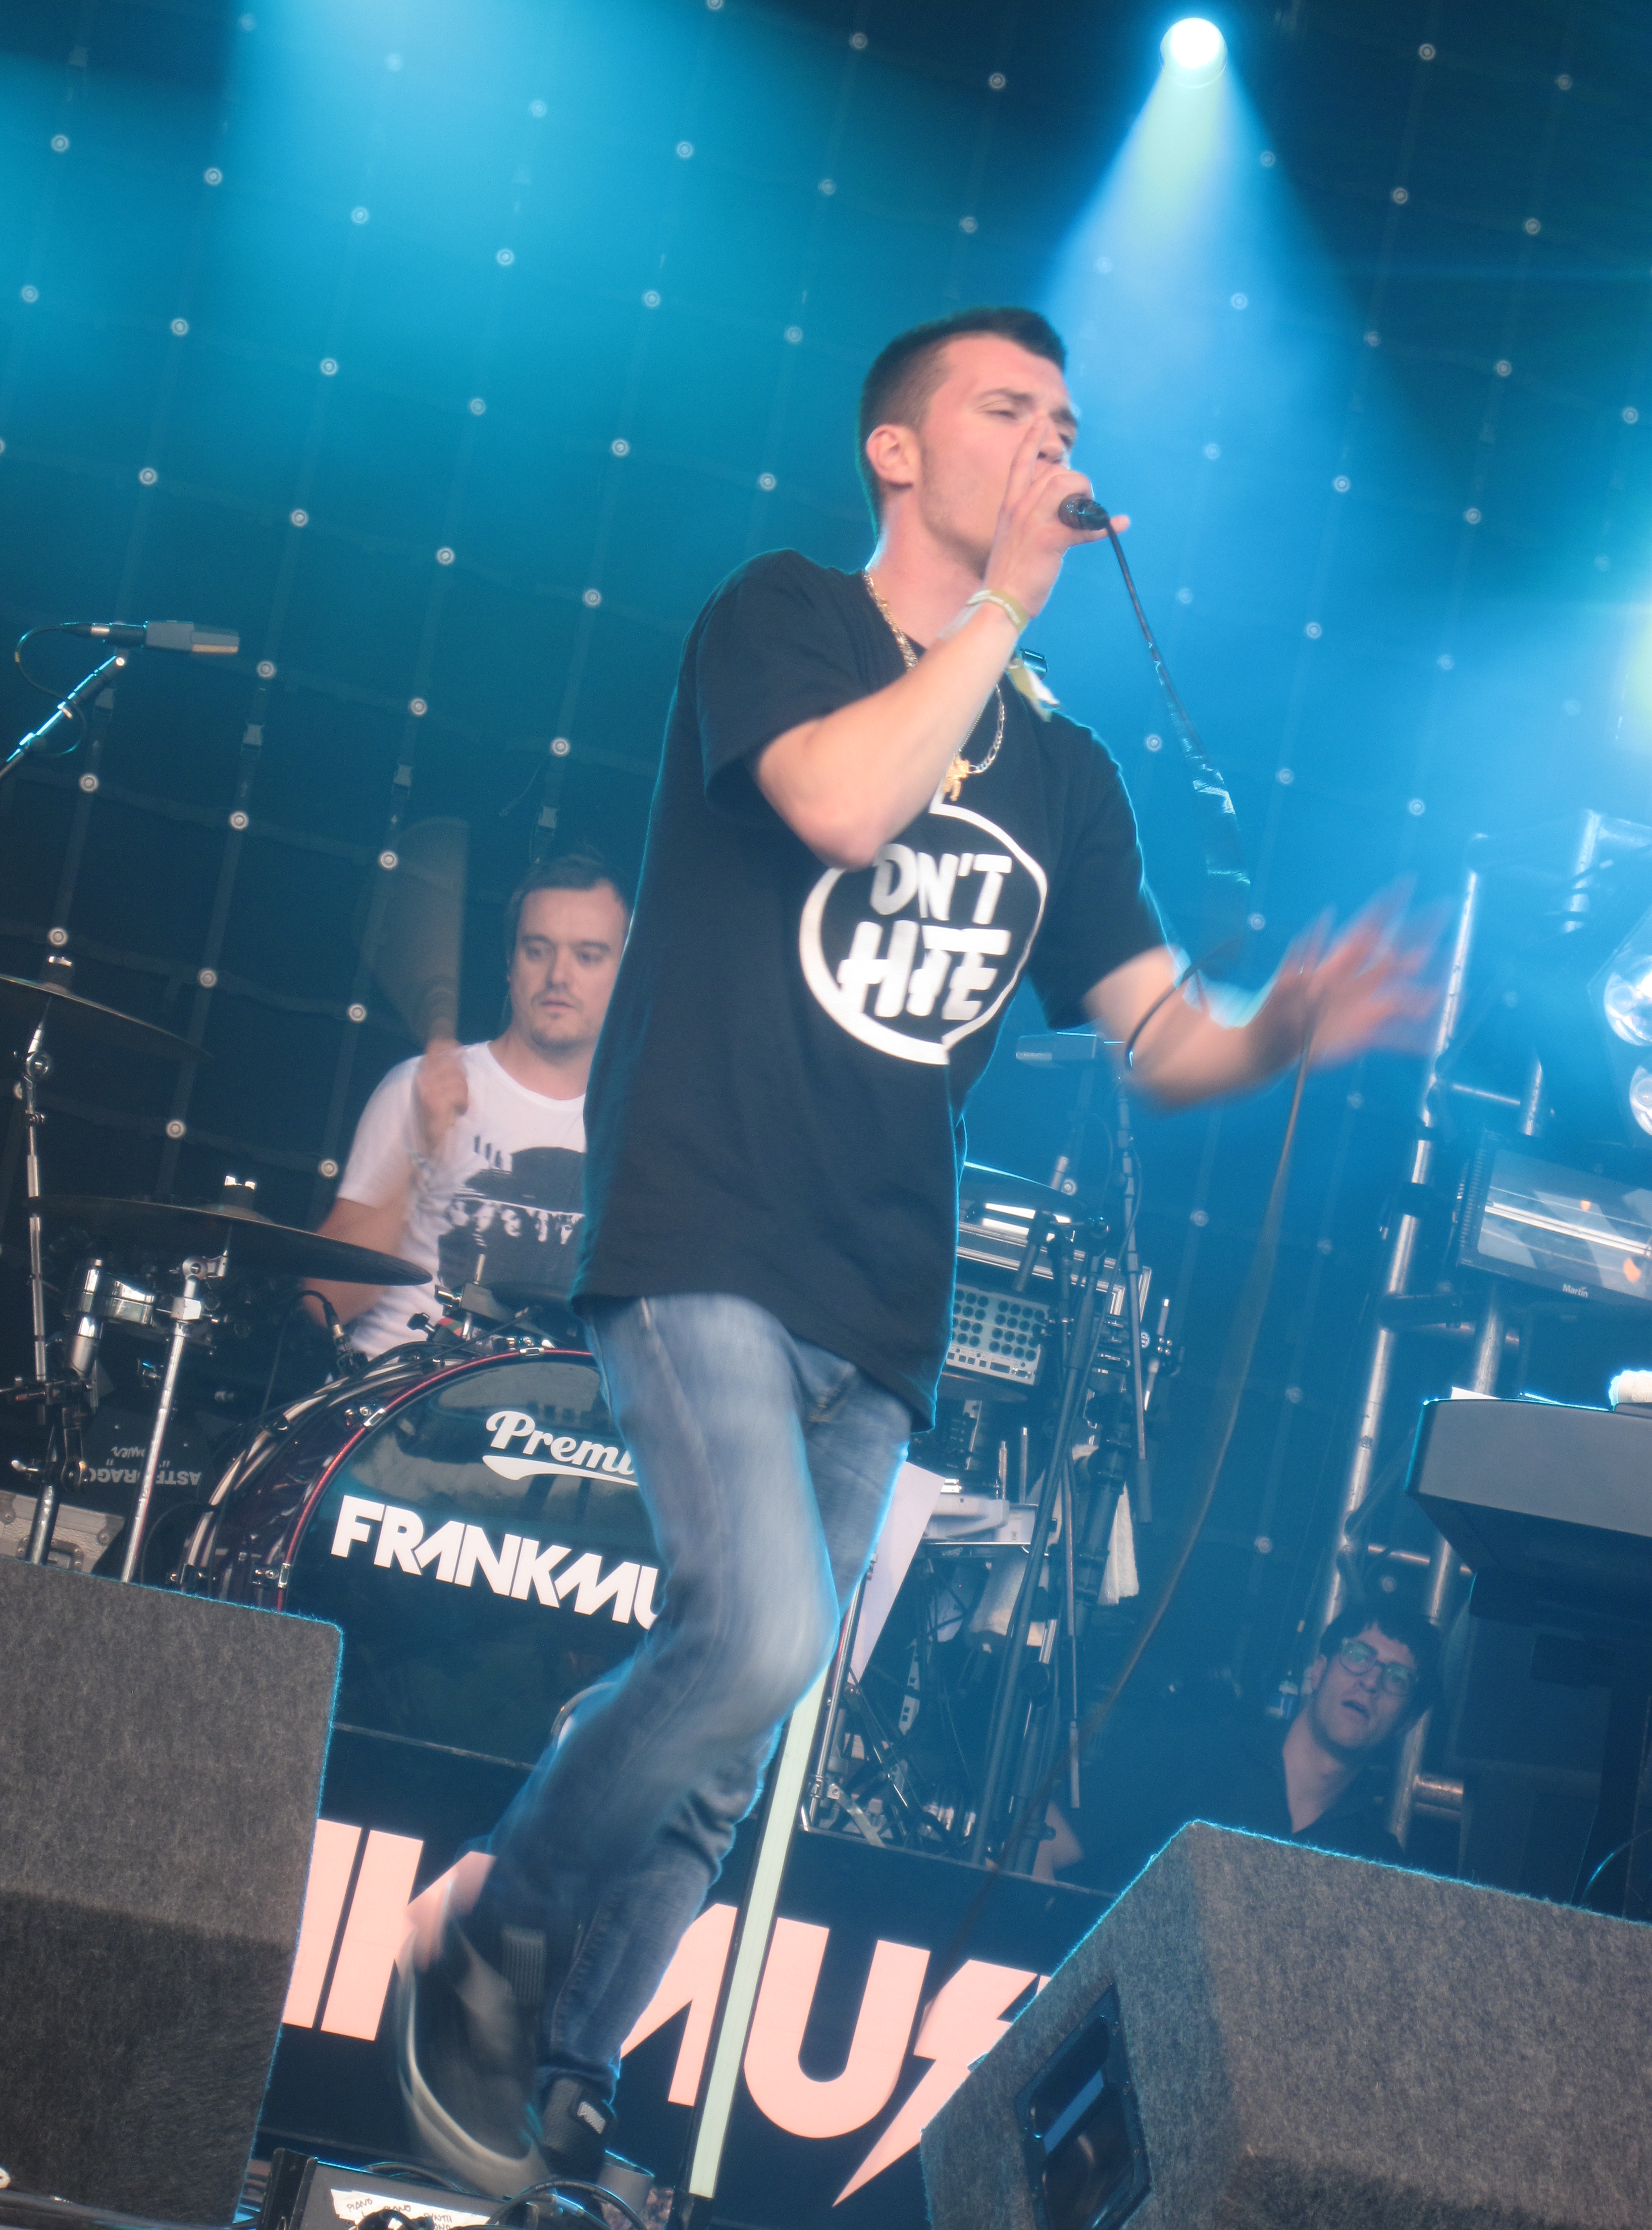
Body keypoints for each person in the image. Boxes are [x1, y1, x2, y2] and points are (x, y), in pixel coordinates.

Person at [396, 305, 1436, 2195]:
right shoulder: (784, 614)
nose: (1051, 444)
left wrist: (1283, 1024)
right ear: (900, 450)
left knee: (733, 1737)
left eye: (1066, 419)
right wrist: (1003, 618)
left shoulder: (1063, 771)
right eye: (1007, 410)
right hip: (702, 1222)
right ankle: (486, 1932)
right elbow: (837, 802)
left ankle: (563, 2085)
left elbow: (1161, 1035)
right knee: (765, 1626)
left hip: (883, 1297)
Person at [309, 853, 629, 1353]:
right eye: (538, 951)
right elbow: (324, 1301)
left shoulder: (639, 1128)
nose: (558, 977)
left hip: (551, 1421)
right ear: (510, 964)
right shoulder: (422, 1087)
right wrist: (419, 1154)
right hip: (400, 1401)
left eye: (588, 956)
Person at [1081, 1603, 1441, 1891]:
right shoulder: (1192, 1756)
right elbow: (1043, 1844)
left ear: (1408, 1722)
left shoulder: (1377, 1864)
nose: (1371, 1682)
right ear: (1317, 1671)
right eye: (1359, 1657)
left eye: (1398, 1679)